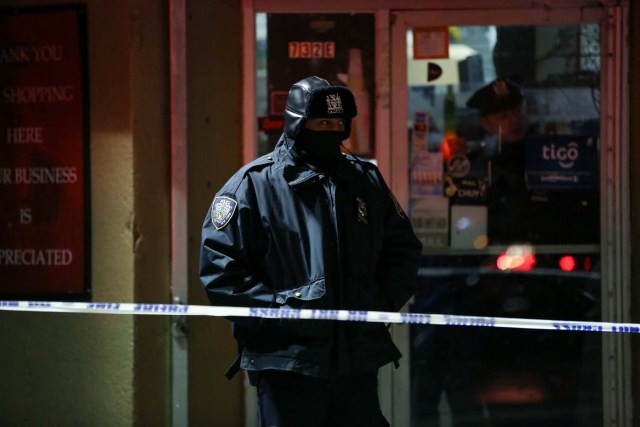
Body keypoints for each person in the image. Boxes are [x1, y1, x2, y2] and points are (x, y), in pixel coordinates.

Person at [199, 75, 422, 427]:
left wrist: (375, 303)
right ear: (298, 124)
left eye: (339, 124)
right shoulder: (253, 186)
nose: (333, 131)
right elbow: (221, 272)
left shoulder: (364, 180)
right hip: (287, 362)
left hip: (355, 360)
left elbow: (403, 251)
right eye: (323, 123)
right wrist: (282, 314)